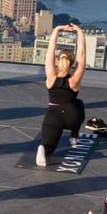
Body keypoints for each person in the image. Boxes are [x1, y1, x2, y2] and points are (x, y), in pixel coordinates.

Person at [33, 24, 87, 166]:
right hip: (72, 117)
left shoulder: (51, 78)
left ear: (59, 60)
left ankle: (44, 149)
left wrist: (56, 30)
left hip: (53, 116)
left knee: (50, 144)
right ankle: (74, 136)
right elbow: (82, 55)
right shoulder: (74, 80)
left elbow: (49, 53)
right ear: (71, 63)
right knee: (79, 103)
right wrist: (79, 32)